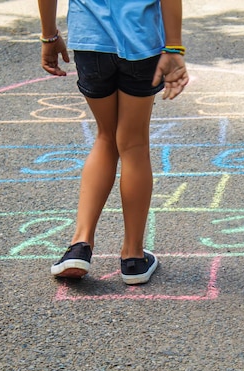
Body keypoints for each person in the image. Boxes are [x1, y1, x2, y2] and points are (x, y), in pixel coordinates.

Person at [38, 0, 189, 284]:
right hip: (140, 41)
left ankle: (79, 245)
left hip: (91, 41)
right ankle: (132, 257)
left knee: (106, 137)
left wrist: (50, 36)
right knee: (133, 145)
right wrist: (174, 48)